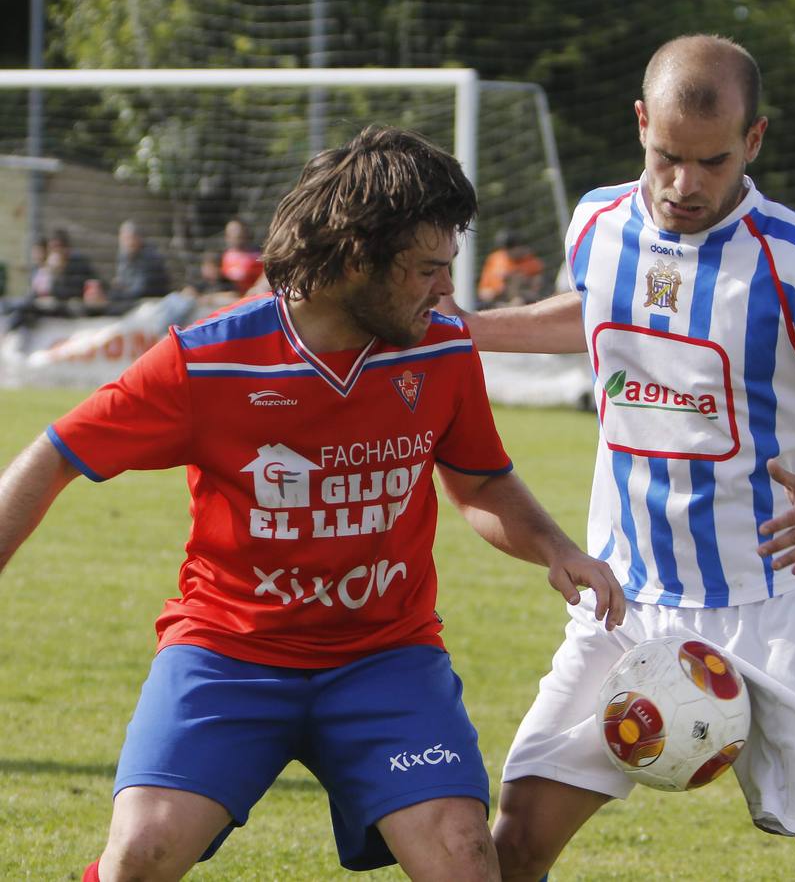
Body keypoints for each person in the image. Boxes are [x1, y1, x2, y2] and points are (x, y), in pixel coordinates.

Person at [0, 125, 625, 882]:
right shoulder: (210, 360)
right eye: (428, 269)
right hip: (229, 653)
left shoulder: (441, 347)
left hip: (386, 658)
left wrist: (558, 550)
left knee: (464, 856)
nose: (446, 291)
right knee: (143, 853)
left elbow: (480, 480)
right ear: (357, 258)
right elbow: (52, 457)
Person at [444, 35, 795, 882]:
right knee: (512, 841)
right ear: (639, 124)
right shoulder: (595, 221)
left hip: (777, 609)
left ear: (754, 141)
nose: (683, 184)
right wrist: (465, 327)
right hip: (627, 603)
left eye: (710, 162)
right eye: (666, 157)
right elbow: (595, 312)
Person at [107, 219, 171, 310]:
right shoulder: (124, 255)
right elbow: (121, 281)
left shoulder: (150, 258)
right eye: (124, 238)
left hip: (151, 302)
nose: (127, 243)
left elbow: (141, 289)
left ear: (138, 238)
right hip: (132, 297)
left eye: (130, 238)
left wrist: (122, 290)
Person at [476, 229, 545, 307]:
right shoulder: (494, 259)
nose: (506, 251)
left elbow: (536, 288)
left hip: (522, 300)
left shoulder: (531, 261)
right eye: (505, 248)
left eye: (510, 248)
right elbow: (483, 291)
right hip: (496, 301)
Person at [221, 217, 265, 295]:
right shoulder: (222, 256)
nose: (234, 235)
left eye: (236, 231)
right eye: (230, 233)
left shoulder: (258, 256)